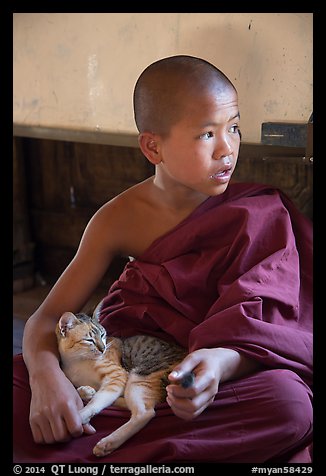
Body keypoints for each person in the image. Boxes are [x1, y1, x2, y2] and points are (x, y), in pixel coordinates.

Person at [13, 55, 313, 463]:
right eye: (207, 134)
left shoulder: (258, 212)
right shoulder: (117, 219)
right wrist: (47, 380)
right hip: (129, 368)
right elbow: (47, 319)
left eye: (235, 128)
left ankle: (105, 440)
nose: (228, 149)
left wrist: (217, 366)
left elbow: (265, 325)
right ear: (154, 146)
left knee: (288, 404)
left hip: (203, 380)